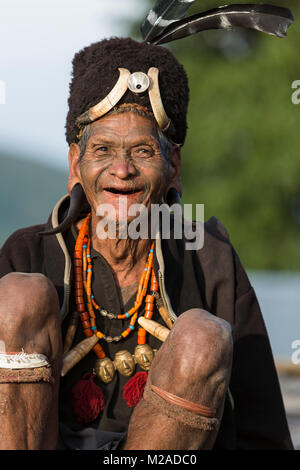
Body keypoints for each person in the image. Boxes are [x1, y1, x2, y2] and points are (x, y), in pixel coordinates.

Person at [0, 4, 294, 450]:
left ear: (172, 167)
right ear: (75, 166)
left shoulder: (208, 256)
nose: (122, 170)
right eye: (102, 150)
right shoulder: (27, 253)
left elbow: (260, 419)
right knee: (18, 296)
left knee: (202, 336)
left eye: (142, 151)